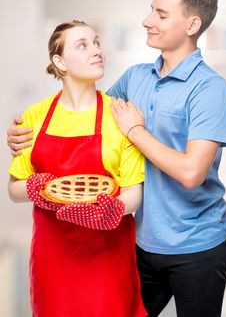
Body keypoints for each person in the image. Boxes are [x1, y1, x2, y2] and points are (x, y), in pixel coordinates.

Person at [7, 0, 226, 317]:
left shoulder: (210, 89)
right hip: (141, 244)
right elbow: (88, 116)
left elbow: (191, 173)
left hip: (196, 247)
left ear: (192, 24)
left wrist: (137, 131)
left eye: (160, 14)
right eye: (150, 11)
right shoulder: (136, 77)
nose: (147, 21)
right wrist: (23, 133)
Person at [7, 20, 147, 317]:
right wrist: (37, 188)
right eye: (83, 45)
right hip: (53, 258)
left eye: (97, 43)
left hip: (107, 257)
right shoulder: (35, 115)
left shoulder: (119, 115)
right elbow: (14, 189)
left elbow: (135, 190)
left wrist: (110, 211)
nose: (97, 51)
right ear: (59, 61)